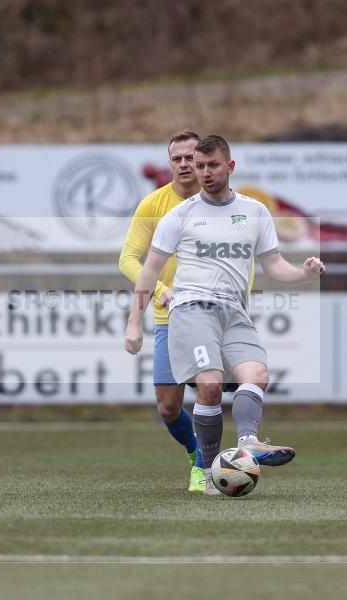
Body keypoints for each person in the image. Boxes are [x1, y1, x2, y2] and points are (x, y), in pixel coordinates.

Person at [124, 135, 325, 496]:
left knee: (257, 375)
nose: (204, 172)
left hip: (234, 311)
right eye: (199, 166)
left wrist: (304, 274)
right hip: (192, 309)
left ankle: (248, 443)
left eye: (212, 165)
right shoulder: (178, 215)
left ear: (230, 166)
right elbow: (148, 271)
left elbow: (274, 266)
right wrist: (134, 324)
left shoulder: (255, 212)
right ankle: (209, 470)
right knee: (210, 384)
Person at [119, 130, 207, 492]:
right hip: (169, 317)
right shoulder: (154, 205)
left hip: (212, 314)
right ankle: (195, 449)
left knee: (209, 391)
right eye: (177, 158)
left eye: (191, 157)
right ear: (169, 163)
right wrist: (159, 291)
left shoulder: (221, 202)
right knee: (168, 407)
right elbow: (127, 259)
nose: (184, 164)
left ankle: (204, 468)